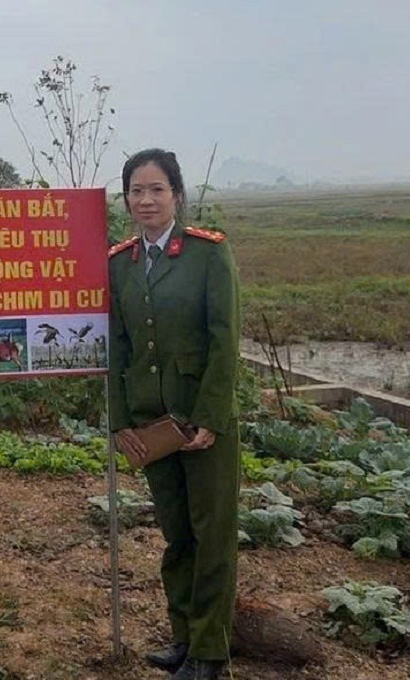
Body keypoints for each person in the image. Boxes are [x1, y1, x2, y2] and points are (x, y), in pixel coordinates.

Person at [107, 149, 241, 680]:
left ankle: (211, 653)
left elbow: (224, 340)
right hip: (151, 423)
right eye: (136, 191)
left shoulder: (208, 255)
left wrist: (211, 415)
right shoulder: (121, 262)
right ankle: (184, 638)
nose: (145, 200)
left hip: (202, 423)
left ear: (177, 196)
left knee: (214, 538)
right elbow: (119, 346)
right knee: (176, 535)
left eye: (156, 190)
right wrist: (120, 420)